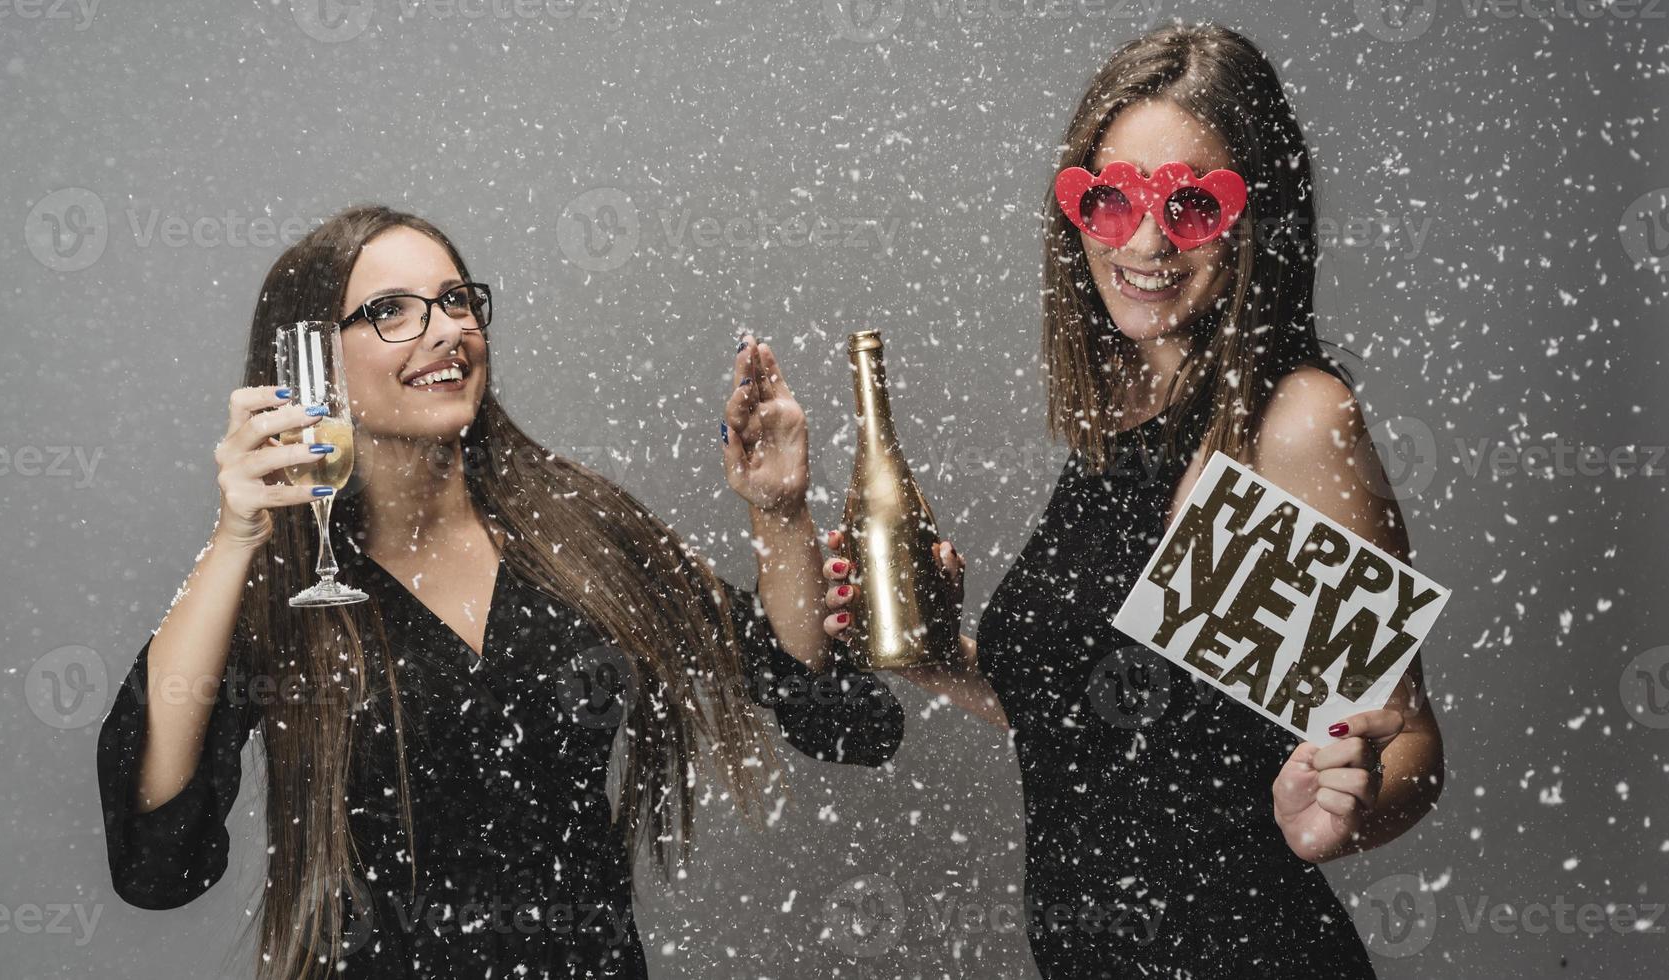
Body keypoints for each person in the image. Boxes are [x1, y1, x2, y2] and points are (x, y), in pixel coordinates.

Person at [736, 24, 1445, 979]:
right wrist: (944, 660)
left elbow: (1404, 739)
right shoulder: (1127, 404)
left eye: (1192, 206)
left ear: (1254, 218)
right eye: (1111, 202)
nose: (1145, 242)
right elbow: (1104, 734)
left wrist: (1345, 812)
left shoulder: (1286, 422)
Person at [96, 205, 903, 979]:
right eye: (391, 311)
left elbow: (829, 710)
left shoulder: (578, 529)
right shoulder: (288, 585)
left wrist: (780, 512)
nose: (445, 329)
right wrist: (235, 536)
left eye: (454, 300)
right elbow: (160, 860)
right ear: (311, 360)